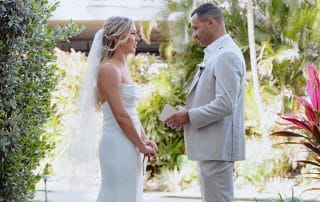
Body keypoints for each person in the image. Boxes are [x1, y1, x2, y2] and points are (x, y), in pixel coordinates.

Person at [165, 3, 246, 202]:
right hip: (211, 148)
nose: (193, 34)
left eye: (195, 27)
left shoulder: (226, 55)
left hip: (217, 148)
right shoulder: (217, 53)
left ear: (210, 23)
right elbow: (213, 98)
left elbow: (226, 103)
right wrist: (185, 111)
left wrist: (189, 115)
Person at [80, 16, 157, 202]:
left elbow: (131, 112)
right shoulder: (108, 69)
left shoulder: (123, 68)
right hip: (117, 144)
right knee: (117, 194)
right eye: (132, 33)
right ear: (117, 36)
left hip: (129, 142)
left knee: (129, 193)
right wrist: (141, 145)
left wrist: (145, 139)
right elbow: (121, 115)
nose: (137, 38)